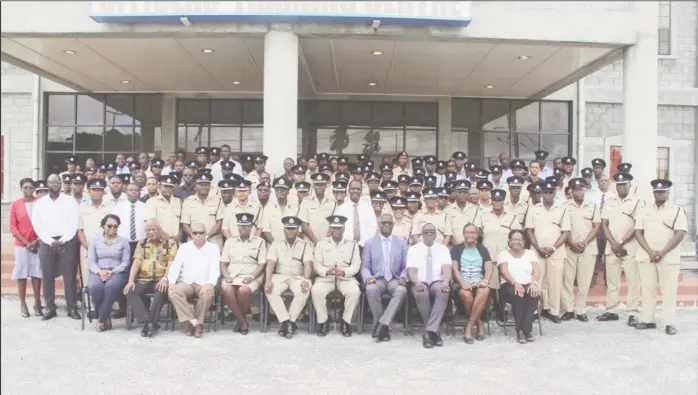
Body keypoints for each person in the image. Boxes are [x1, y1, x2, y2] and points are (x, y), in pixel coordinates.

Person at [634, 179, 687, 335]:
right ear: (653, 193)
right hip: (647, 256)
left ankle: (670, 323)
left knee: (669, 291)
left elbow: (680, 234)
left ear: (668, 192)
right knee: (647, 290)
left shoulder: (677, 210)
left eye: (662, 191)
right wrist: (650, 252)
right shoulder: (644, 210)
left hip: (668, 257)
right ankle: (648, 320)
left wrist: (662, 252)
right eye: (657, 191)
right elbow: (638, 231)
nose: (659, 193)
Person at [31, 174, 81, 321]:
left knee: (69, 276)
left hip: (67, 241)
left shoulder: (69, 201)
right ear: (47, 184)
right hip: (47, 243)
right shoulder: (40, 203)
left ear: (61, 184)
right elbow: (37, 224)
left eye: (58, 182)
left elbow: (74, 223)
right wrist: (49, 241)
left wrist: (63, 240)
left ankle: (71, 308)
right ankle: (50, 308)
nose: (55, 184)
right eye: (52, 182)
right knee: (47, 276)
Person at [598, 173, 644, 326]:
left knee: (633, 281)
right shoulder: (610, 201)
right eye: (618, 184)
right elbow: (604, 224)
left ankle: (633, 312)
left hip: (630, 247)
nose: (621, 187)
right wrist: (613, 243)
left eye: (624, 184)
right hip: (612, 247)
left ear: (630, 185)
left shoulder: (637, 202)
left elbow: (637, 226)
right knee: (612, 281)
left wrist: (622, 242)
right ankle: (611, 310)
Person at [525, 180, 570, 324]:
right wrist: (538, 248)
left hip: (556, 252)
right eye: (545, 192)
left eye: (551, 192)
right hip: (537, 251)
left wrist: (553, 248)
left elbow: (565, 232)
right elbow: (529, 231)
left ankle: (554, 311)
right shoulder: (533, 209)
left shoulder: (562, 209)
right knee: (536, 281)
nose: (548, 194)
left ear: (555, 193)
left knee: (555, 283)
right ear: (541, 193)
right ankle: (533, 310)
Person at [167, 222, 220, 338]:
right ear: (191, 234)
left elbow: (215, 268)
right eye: (195, 233)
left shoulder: (213, 248)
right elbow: (176, 265)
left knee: (208, 294)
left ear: (205, 234)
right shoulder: (184, 247)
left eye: (201, 233)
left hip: (204, 283)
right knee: (173, 291)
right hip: (187, 282)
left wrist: (210, 283)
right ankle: (194, 322)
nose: (198, 235)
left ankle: (196, 324)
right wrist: (171, 282)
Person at [124, 219, 176, 337]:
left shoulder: (170, 243)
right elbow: (136, 263)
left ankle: (149, 323)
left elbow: (171, 264)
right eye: (148, 230)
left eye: (153, 229)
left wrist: (165, 279)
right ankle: (149, 321)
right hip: (144, 279)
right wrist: (131, 281)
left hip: (161, 279)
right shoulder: (142, 243)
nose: (150, 232)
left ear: (159, 230)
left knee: (161, 291)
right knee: (130, 291)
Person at [361, 214, 409, 342]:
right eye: (384, 223)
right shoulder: (370, 243)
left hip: (394, 279)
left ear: (393, 225)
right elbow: (365, 267)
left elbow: (405, 266)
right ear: (379, 224)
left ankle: (381, 325)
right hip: (377, 279)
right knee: (370, 289)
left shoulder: (402, 243)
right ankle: (384, 328)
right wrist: (368, 277)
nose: (386, 225)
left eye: (389, 223)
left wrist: (403, 277)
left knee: (401, 290)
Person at [264, 216, 314, 338]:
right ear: (284, 230)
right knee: (270, 290)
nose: (290, 231)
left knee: (304, 290)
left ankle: (288, 323)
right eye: (288, 228)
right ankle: (287, 322)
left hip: (298, 277)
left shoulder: (305, 245)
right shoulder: (276, 244)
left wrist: (306, 280)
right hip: (280, 276)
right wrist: (268, 280)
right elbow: (270, 263)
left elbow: (308, 264)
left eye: (293, 228)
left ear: (298, 230)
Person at [312, 215, 362, 337]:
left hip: (345, 277)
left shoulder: (353, 244)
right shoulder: (321, 244)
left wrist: (344, 272)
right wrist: (327, 271)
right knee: (316, 290)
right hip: (326, 278)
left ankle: (345, 321)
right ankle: (323, 322)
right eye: (334, 228)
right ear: (330, 229)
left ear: (344, 229)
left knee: (354, 291)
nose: (337, 230)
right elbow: (316, 264)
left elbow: (356, 265)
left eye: (339, 228)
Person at [560, 178, 601, 322]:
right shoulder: (564, 206)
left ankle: (581, 309)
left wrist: (584, 242)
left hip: (588, 248)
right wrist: (571, 243)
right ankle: (568, 309)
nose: (578, 192)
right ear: (571, 191)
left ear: (585, 189)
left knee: (584, 281)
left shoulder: (593, 206)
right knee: (567, 279)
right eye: (575, 189)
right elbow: (563, 228)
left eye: (581, 189)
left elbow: (596, 227)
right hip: (569, 247)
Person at [220, 213, 267, 335]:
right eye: (241, 226)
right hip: (232, 275)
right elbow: (223, 264)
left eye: (246, 226)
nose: (243, 228)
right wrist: (226, 276)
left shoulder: (259, 242)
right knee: (226, 288)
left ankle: (240, 320)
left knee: (243, 291)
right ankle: (242, 320)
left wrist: (251, 277)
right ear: (237, 227)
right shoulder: (230, 242)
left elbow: (262, 264)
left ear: (251, 226)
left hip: (252, 275)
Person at [407, 223, 452, 349]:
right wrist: (417, 282)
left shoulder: (443, 249)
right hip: (420, 281)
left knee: (443, 292)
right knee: (421, 293)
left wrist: (445, 282)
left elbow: (447, 269)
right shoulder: (414, 249)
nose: (429, 233)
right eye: (426, 231)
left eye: (432, 231)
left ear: (436, 234)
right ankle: (434, 332)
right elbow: (411, 271)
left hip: (437, 281)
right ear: (421, 234)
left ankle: (428, 333)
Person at [87, 214, 130, 331]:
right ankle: (106, 317)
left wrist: (112, 272)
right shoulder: (95, 241)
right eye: (109, 226)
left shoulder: (123, 241)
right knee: (95, 287)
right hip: (98, 271)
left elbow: (125, 263)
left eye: (115, 226)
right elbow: (91, 262)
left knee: (111, 287)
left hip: (117, 272)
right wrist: (100, 273)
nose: (112, 229)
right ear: (103, 226)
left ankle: (101, 319)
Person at [450, 223, 493, 343]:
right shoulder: (456, 249)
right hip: (461, 283)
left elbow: (489, 268)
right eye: (467, 232)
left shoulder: (482, 249)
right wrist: (463, 283)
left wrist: (485, 280)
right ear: (463, 234)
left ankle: (468, 328)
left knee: (485, 290)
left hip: (478, 282)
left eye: (473, 232)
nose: (470, 235)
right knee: (466, 294)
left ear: (477, 234)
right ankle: (479, 324)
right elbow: (454, 269)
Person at [498, 229, 541, 343]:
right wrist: (515, 283)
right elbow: (504, 271)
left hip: (528, 283)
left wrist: (534, 283)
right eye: (513, 239)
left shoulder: (530, 253)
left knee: (534, 294)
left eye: (519, 239)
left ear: (524, 241)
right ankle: (523, 331)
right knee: (519, 294)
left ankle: (524, 329)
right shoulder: (503, 254)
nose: (516, 242)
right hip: (509, 285)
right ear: (509, 241)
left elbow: (536, 270)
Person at [9, 178, 43, 317]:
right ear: (21, 189)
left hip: (37, 243)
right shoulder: (15, 205)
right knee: (22, 273)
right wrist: (26, 243)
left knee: (36, 273)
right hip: (21, 245)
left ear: (34, 188)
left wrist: (35, 241)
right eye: (25, 187)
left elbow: (44, 223)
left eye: (30, 187)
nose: (28, 189)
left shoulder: (40, 203)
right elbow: (12, 226)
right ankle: (23, 304)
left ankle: (37, 303)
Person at [333, 180, 377, 247]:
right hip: (346, 246)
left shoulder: (368, 208)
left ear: (361, 191)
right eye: (353, 189)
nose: (355, 191)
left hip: (365, 246)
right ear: (348, 190)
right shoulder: (341, 209)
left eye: (358, 189)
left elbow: (372, 227)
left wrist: (362, 243)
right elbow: (338, 229)